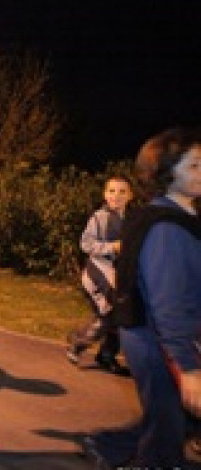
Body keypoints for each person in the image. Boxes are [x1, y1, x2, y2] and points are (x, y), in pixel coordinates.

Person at [83, 127, 201, 468]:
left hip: (162, 339)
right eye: (192, 166)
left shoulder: (181, 218)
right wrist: (188, 367)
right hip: (156, 342)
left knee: (173, 419)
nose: (200, 171)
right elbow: (168, 302)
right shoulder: (166, 227)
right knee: (166, 432)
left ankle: (107, 447)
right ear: (166, 172)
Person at [66, 176, 133, 376]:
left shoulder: (131, 218)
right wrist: (112, 246)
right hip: (97, 275)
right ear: (105, 194)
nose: (116, 196)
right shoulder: (100, 217)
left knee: (121, 315)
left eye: (122, 191)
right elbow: (85, 244)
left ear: (131, 195)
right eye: (112, 191)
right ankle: (77, 343)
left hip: (116, 276)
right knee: (108, 315)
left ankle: (106, 355)